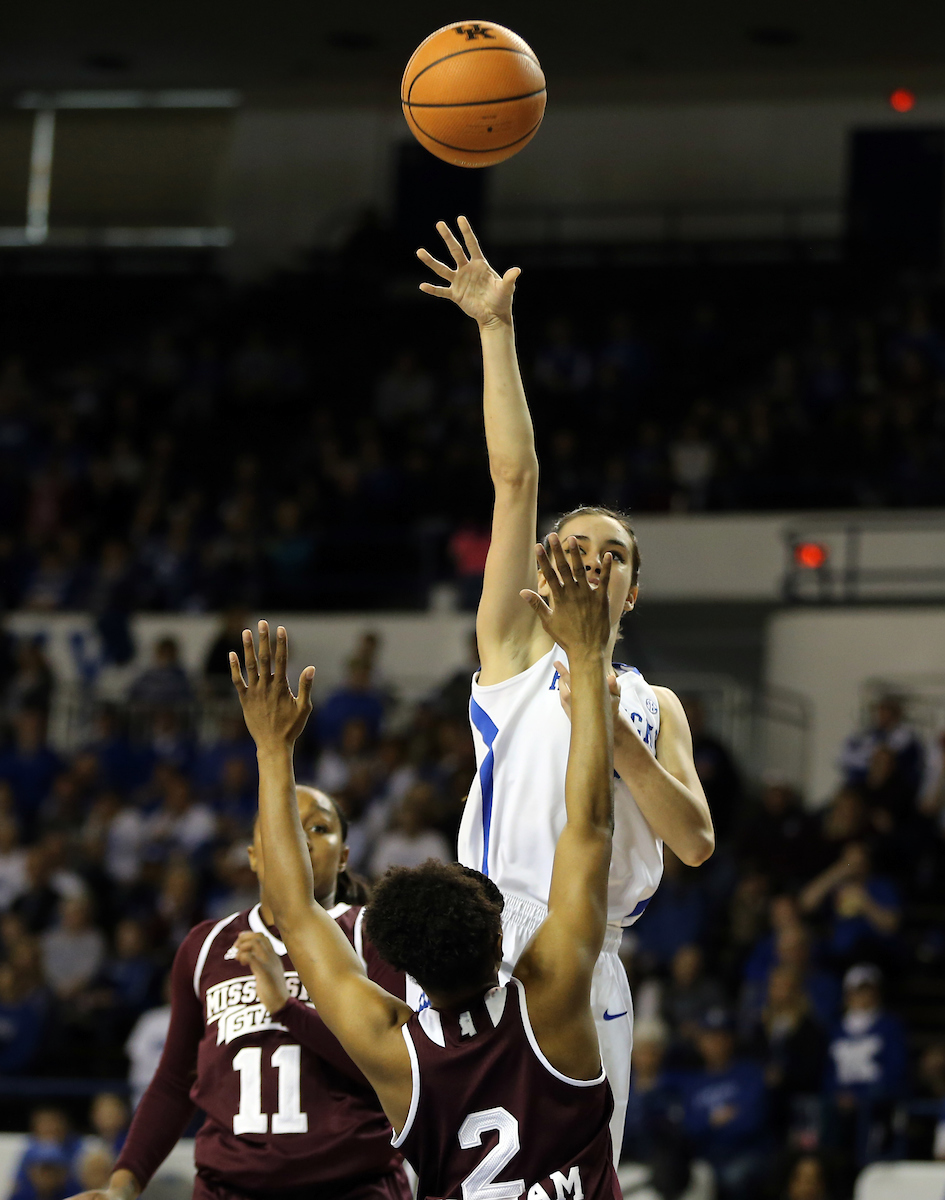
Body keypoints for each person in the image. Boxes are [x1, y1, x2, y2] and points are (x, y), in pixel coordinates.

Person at [416, 215, 714, 1156]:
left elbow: (696, 843)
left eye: (613, 552)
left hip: (594, 961)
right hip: (487, 938)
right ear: (545, 573)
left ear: (633, 586)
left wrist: (608, 722)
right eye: (574, 546)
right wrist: (494, 331)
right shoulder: (510, 652)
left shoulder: (655, 704)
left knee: (583, 1176)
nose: (592, 559)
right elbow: (515, 477)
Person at [230, 538, 626, 1198]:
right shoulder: (550, 998)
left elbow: (296, 912)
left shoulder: (395, 1052)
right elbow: (589, 826)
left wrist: (273, 752)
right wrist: (587, 659)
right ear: (503, 943)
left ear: (403, 972)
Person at [66, 787, 412, 1200]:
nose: (299, 840)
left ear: (343, 857)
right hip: (227, 1188)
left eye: (319, 828)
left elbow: (400, 1074)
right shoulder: (205, 944)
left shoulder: (373, 934)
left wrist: (287, 1008)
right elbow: (176, 1079)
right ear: (252, 855)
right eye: (281, 826)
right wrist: (122, 1185)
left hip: (351, 1186)